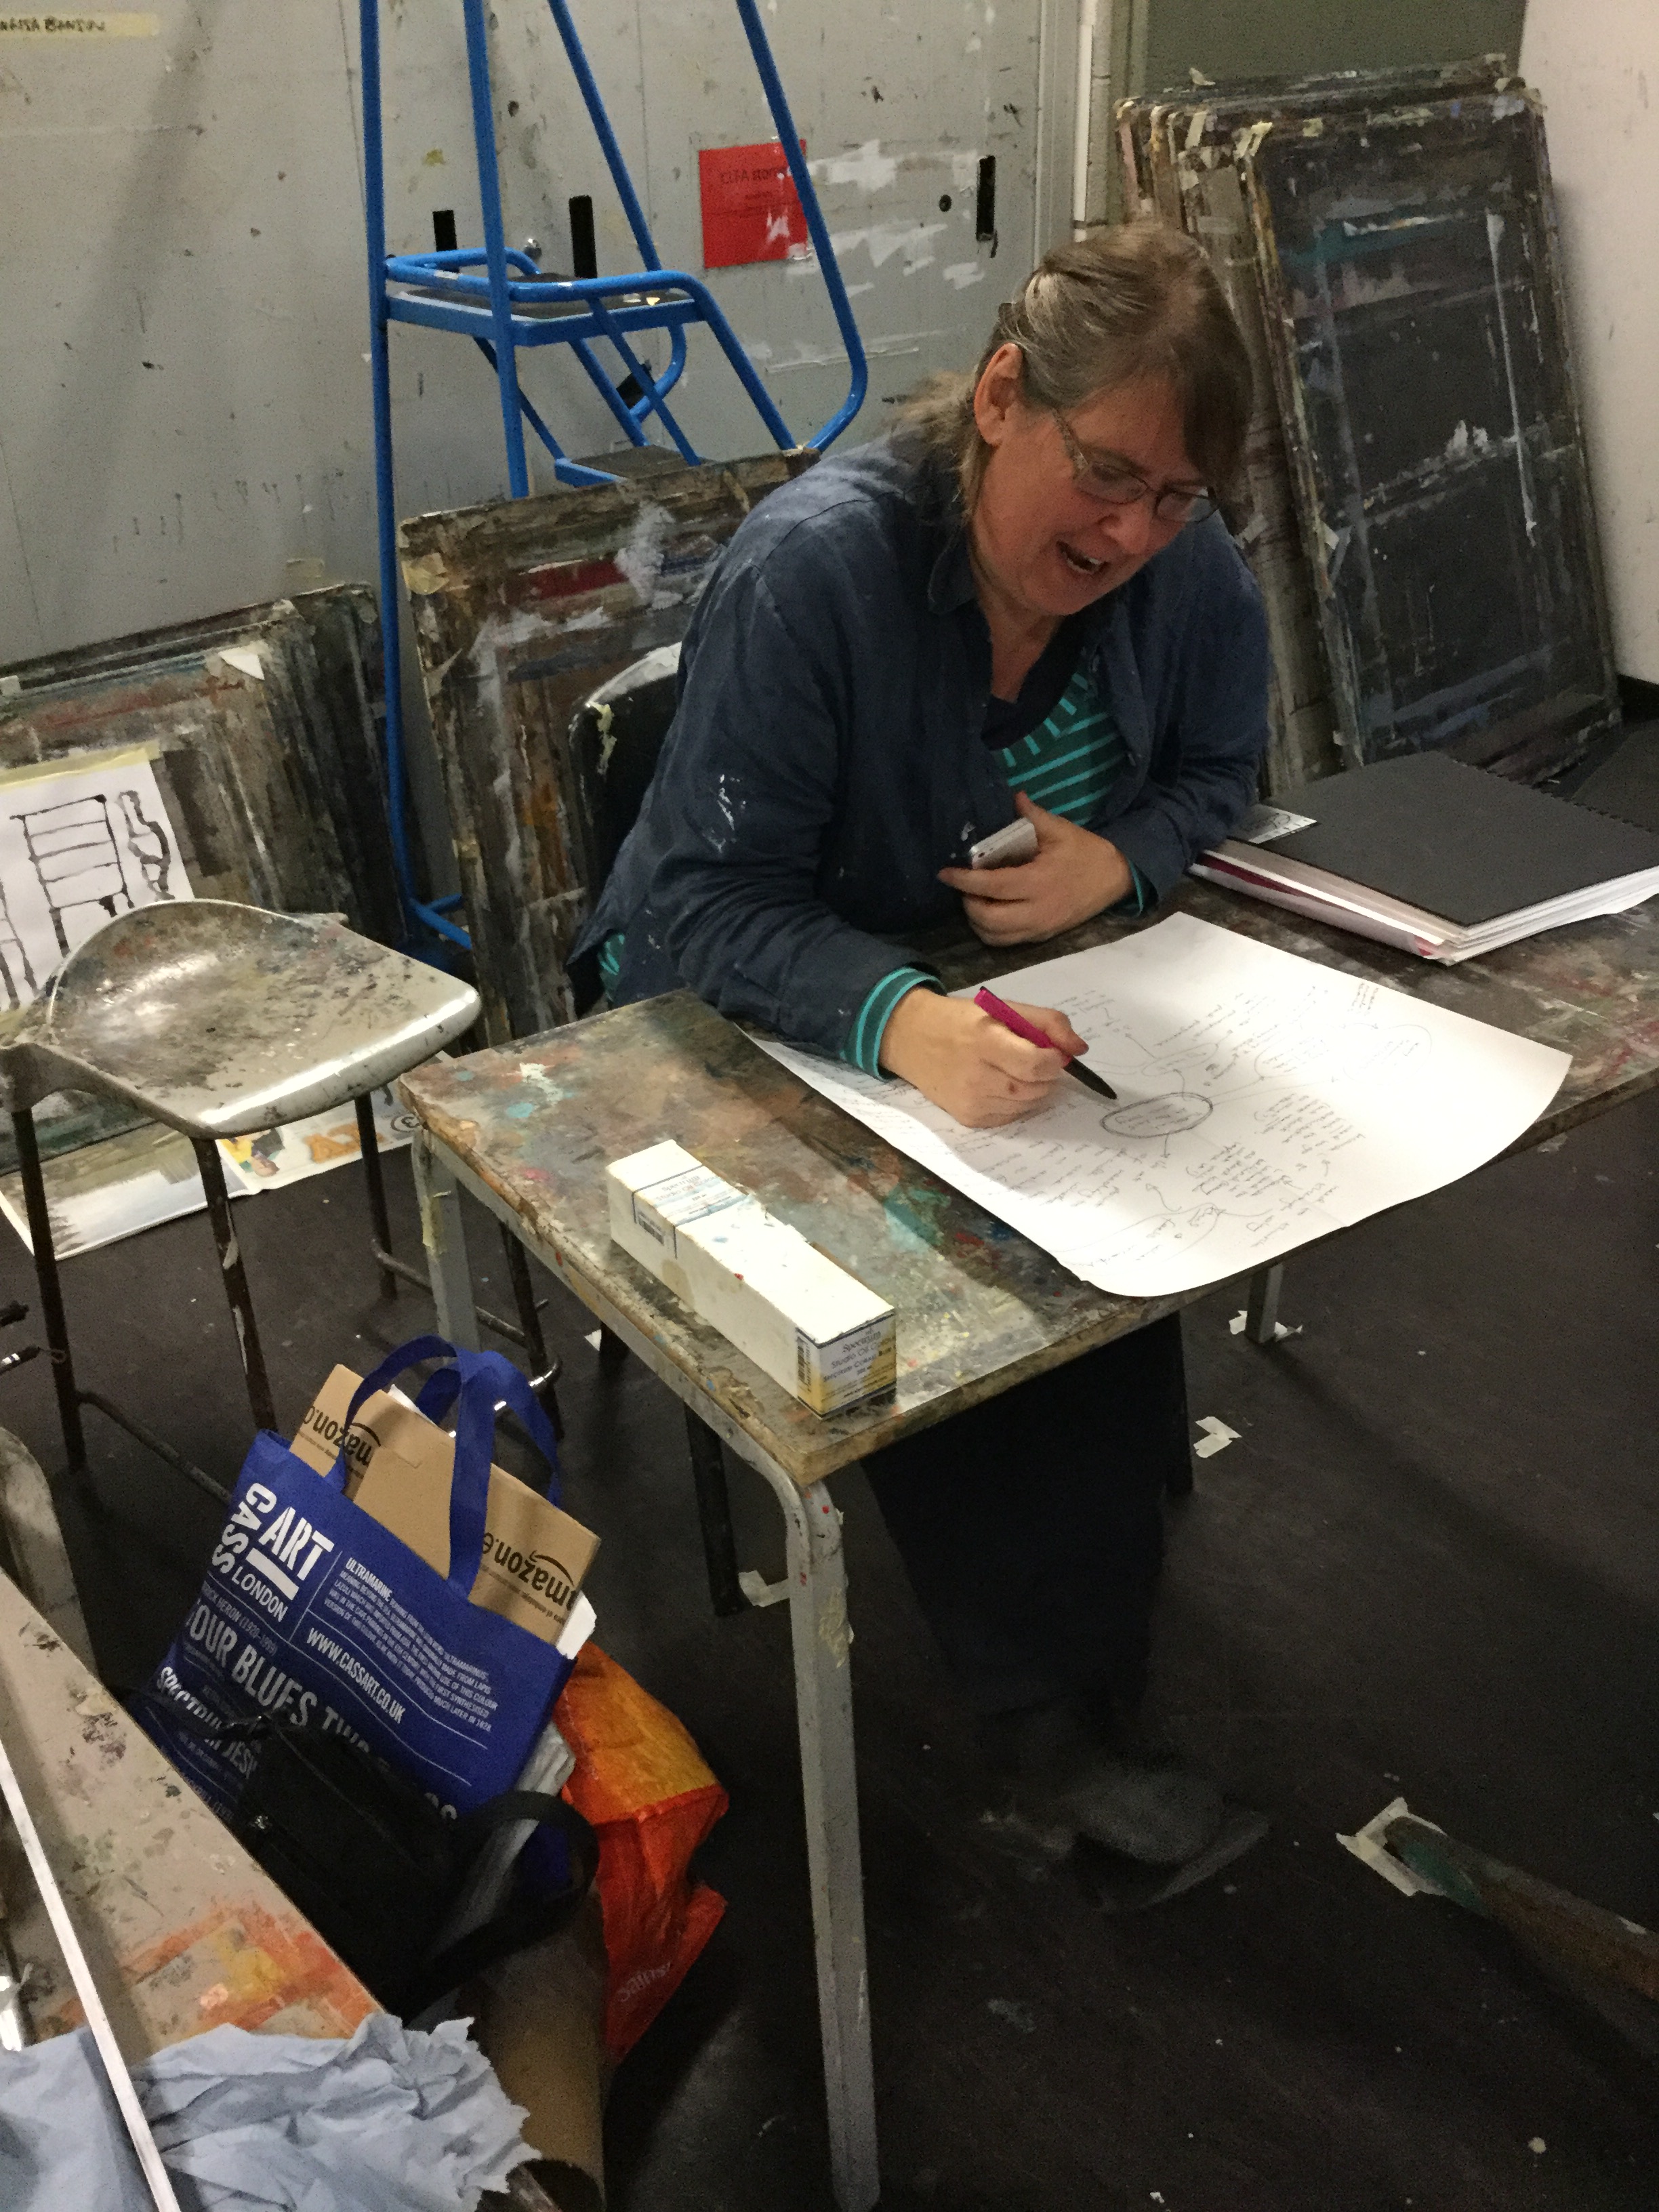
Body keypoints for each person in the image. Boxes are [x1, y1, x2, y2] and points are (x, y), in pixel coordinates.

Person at [574, 223, 1268, 1879]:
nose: (1131, 533)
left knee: (1116, 1198)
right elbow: (697, 903)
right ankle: (1046, 1731)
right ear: (1005, 397)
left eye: (1176, 498)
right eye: (1106, 475)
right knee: (966, 1264)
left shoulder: (1179, 562)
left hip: (998, 989)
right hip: (745, 997)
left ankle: (1092, 1601)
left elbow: (1224, 775)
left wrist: (1120, 864)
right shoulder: (817, 572)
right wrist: (897, 1020)